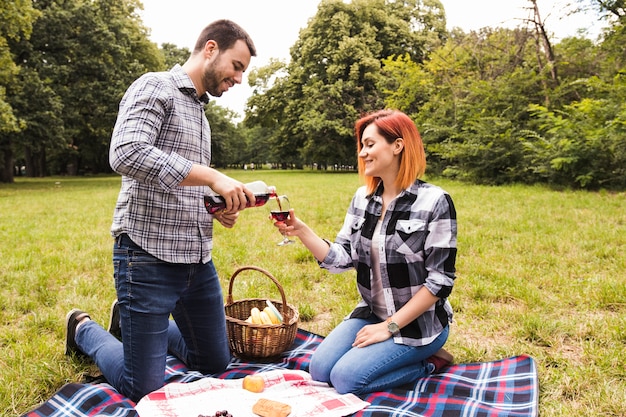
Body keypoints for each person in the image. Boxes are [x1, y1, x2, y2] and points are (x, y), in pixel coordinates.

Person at [64, 19, 257, 402]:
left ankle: (129, 321)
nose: (238, 79)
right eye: (237, 66)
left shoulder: (200, 113)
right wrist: (211, 175)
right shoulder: (156, 86)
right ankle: (83, 328)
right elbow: (127, 152)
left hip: (196, 261)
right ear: (211, 48)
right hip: (146, 257)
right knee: (144, 387)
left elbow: (181, 182)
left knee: (215, 363)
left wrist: (216, 207)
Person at [274, 109, 457, 395]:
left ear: (397, 145)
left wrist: (389, 327)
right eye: (361, 146)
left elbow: (440, 281)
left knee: (347, 380)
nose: (362, 153)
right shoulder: (363, 198)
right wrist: (301, 230)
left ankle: (430, 361)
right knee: (321, 371)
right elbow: (341, 258)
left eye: (370, 144)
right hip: (372, 312)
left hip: (419, 324)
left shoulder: (435, 201)